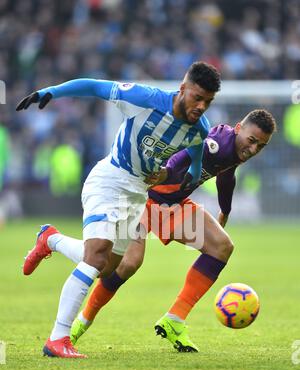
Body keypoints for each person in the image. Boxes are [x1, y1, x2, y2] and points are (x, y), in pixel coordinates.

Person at [22, 109, 276, 353]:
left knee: (222, 246)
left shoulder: (235, 149)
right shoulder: (218, 142)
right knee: (124, 264)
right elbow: (186, 155)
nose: (253, 149)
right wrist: (166, 171)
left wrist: (225, 211)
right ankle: (78, 319)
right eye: (252, 141)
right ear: (239, 128)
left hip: (172, 205)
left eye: (261, 146)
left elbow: (226, 175)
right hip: (143, 199)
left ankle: (174, 320)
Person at [17, 61, 221, 358]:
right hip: (110, 180)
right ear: (183, 89)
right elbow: (95, 86)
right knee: (96, 253)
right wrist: (51, 92)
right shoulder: (145, 99)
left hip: (137, 194)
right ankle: (57, 338)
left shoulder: (199, 129)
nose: (201, 106)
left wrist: (172, 175)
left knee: (107, 267)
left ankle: (50, 239)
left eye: (208, 101)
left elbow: (196, 157)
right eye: (197, 97)